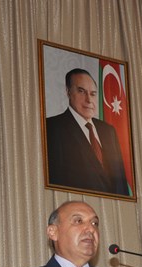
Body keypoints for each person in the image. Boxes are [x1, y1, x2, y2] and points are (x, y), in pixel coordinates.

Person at [46, 68, 129, 196]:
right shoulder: (52, 127)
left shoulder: (109, 131)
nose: (89, 100)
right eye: (81, 91)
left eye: (93, 94)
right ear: (68, 92)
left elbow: (121, 183)